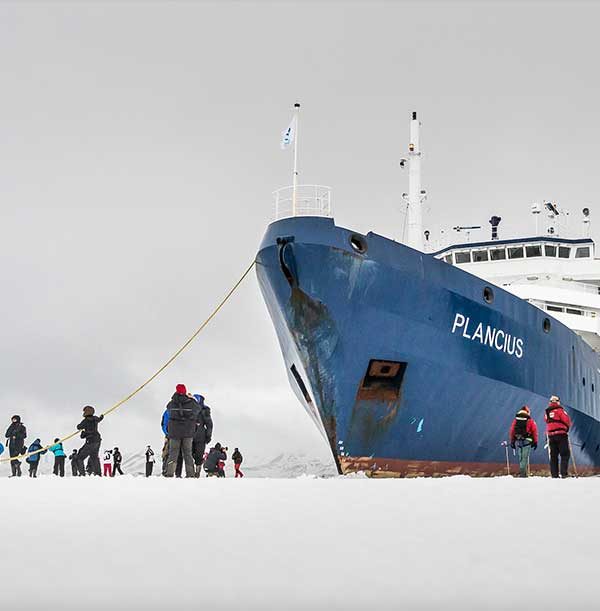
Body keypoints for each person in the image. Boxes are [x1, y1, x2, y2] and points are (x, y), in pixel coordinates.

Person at [165, 384, 198, 478]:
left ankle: (170, 473)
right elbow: (198, 409)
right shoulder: (191, 403)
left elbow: (168, 410)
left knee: (173, 453)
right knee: (188, 453)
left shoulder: (171, 403)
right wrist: (192, 398)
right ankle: (190, 474)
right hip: (188, 432)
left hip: (174, 433)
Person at [545, 395, 571, 478]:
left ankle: (554, 474)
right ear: (558, 402)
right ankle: (564, 473)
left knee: (553, 456)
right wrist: (566, 429)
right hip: (561, 435)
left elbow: (546, 420)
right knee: (565, 454)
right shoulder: (560, 410)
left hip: (551, 436)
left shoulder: (547, 412)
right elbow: (567, 420)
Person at [509, 406, 538, 477]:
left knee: (521, 457)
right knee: (525, 458)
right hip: (527, 441)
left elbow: (512, 430)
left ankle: (523, 472)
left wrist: (512, 441)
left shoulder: (516, 420)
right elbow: (534, 431)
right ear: (527, 412)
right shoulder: (530, 420)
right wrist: (535, 442)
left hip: (519, 440)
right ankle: (523, 474)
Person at [76, 405, 104, 476]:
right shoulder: (95, 419)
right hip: (97, 440)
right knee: (94, 457)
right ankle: (98, 474)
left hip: (90, 441)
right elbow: (99, 419)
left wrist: (83, 431)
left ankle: (82, 474)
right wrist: (101, 417)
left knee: (79, 458)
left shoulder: (85, 421)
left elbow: (79, 427)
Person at [192, 394, 213, 477]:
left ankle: (197, 472)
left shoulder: (205, 410)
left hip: (201, 437)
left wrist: (208, 435)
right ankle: (191, 471)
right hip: (190, 435)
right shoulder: (190, 408)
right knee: (190, 454)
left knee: (199, 455)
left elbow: (209, 424)